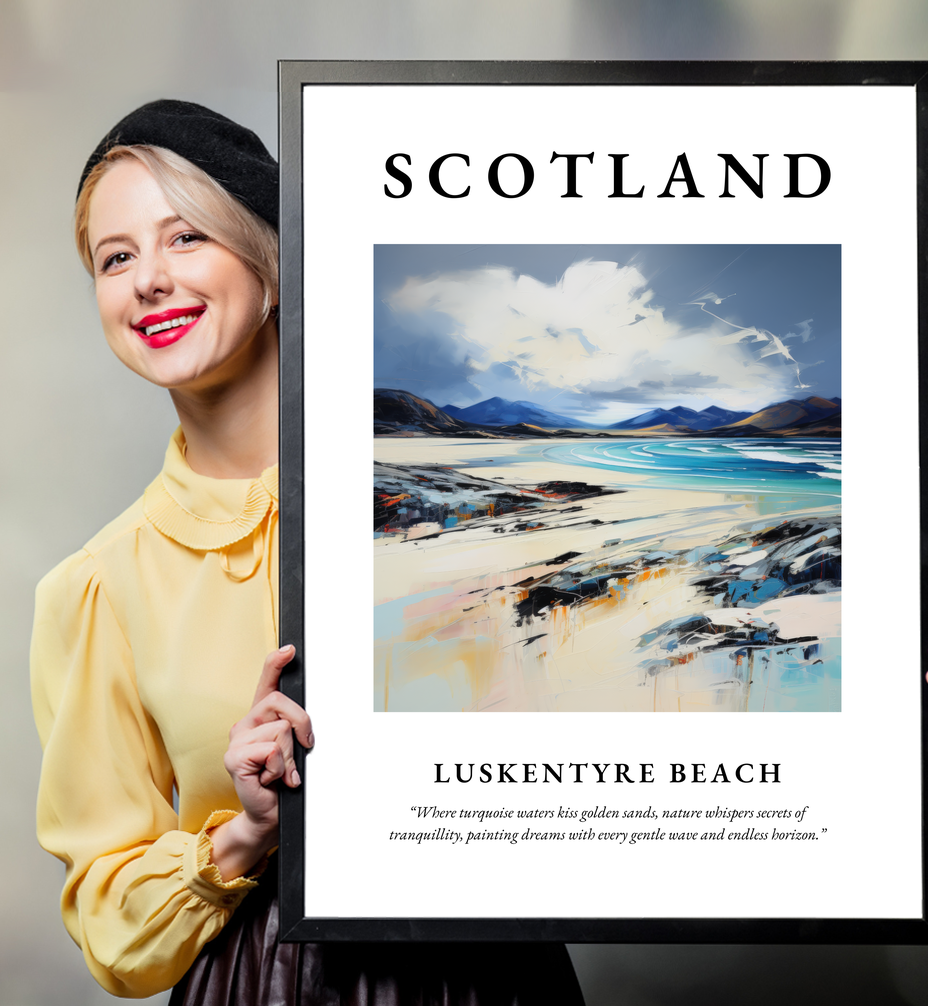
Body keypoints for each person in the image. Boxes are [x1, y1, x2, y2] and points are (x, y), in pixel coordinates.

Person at [30, 100, 585, 1004]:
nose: (148, 281)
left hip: (492, 973)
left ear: (273, 264)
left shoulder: (468, 506)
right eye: (116, 257)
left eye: (186, 239)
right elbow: (110, 925)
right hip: (263, 982)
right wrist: (245, 832)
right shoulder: (97, 587)